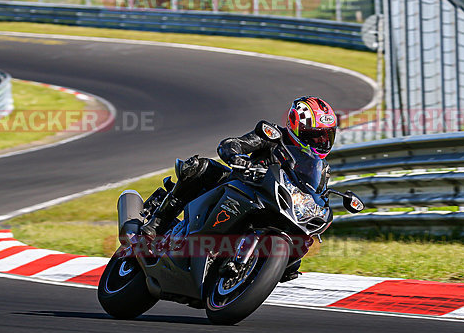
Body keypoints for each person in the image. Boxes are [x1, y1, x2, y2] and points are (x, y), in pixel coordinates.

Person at [140, 96, 338, 242]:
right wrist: (237, 157)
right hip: (241, 187)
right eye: (315, 136)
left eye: (326, 137)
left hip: (279, 206)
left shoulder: (321, 169)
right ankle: (159, 221)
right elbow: (233, 144)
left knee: (304, 238)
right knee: (199, 167)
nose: (321, 142)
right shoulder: (272, 135)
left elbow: (318, 194)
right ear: (296, 125)